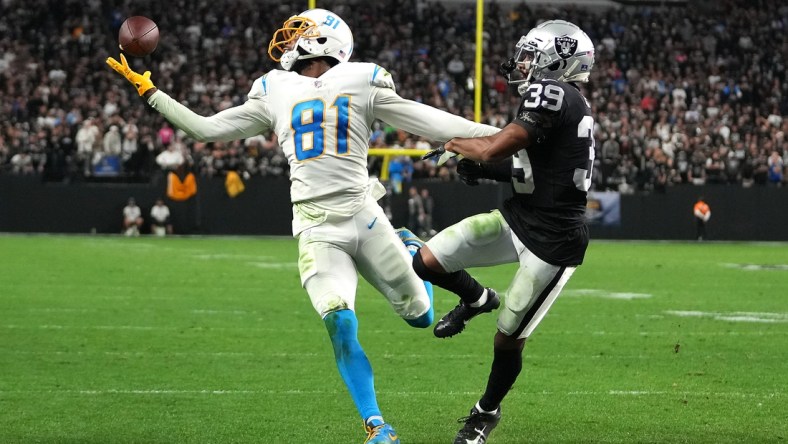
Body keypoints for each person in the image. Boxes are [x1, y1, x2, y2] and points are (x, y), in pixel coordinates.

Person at [106, 9, 499, 443]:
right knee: (339, 320)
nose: (289, 39)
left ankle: (409, 248)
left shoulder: (362, 79)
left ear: (326, 42)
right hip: (316, 229)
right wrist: (152, 93)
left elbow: (429, 120)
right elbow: (204, 130)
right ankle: (376, 426)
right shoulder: (275, 88)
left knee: (420, 317)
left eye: (300, 32)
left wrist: (499, 135)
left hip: (365, 218)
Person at [413, 20, 596, 443]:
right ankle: (476, 297)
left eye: (534, 54)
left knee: (508, 338)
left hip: (553, 240)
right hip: (520, 217)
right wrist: (486, 170)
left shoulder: (553, 92)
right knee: (427, 260)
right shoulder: (568, 102)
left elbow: (497, 146)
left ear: (559, 60)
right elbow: (537, 170)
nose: (524, 62)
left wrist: (458, 143)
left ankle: (485, 413)